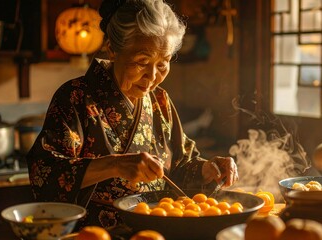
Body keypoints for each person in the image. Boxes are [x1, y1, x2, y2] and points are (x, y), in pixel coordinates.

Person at [26, 0, 238, 228]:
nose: (152, 76)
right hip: (95, 233)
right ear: (112, 49)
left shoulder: (160, 101)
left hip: (158, 229)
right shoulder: (76, 97)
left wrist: (207, 169)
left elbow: (180, 165)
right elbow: (44, 173)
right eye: (142, 62)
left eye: (163, 64)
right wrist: (114, 165)